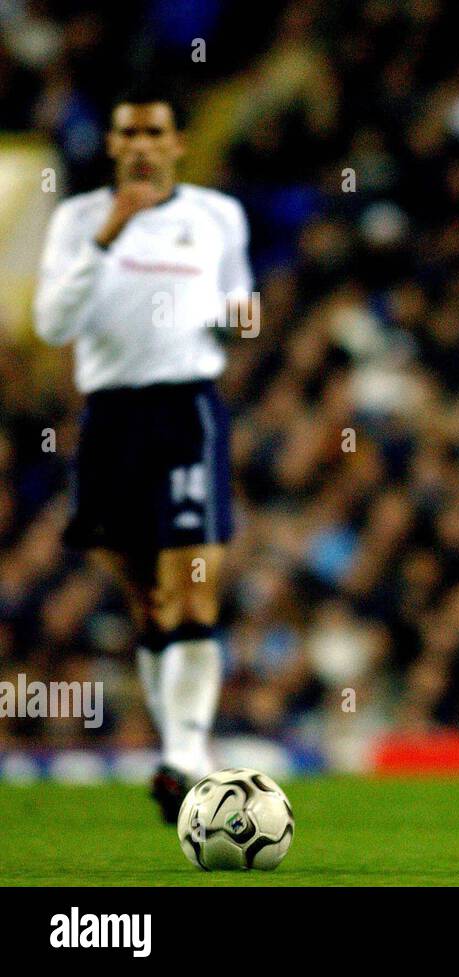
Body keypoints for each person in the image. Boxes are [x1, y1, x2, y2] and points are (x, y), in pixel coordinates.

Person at [34, 86, 252, 822]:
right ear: (113, 145)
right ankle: (182, 743)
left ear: (177, 143)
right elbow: (53, 320)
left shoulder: (216, 216)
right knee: (149, 603)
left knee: (193, 583)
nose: (139, 144)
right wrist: (108, 238)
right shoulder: (77, 219)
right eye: (126, 132)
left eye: (154, 131)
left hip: (185, 408)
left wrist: (232, 320)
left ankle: (185, 758)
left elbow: (239, 303)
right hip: (110, 419)